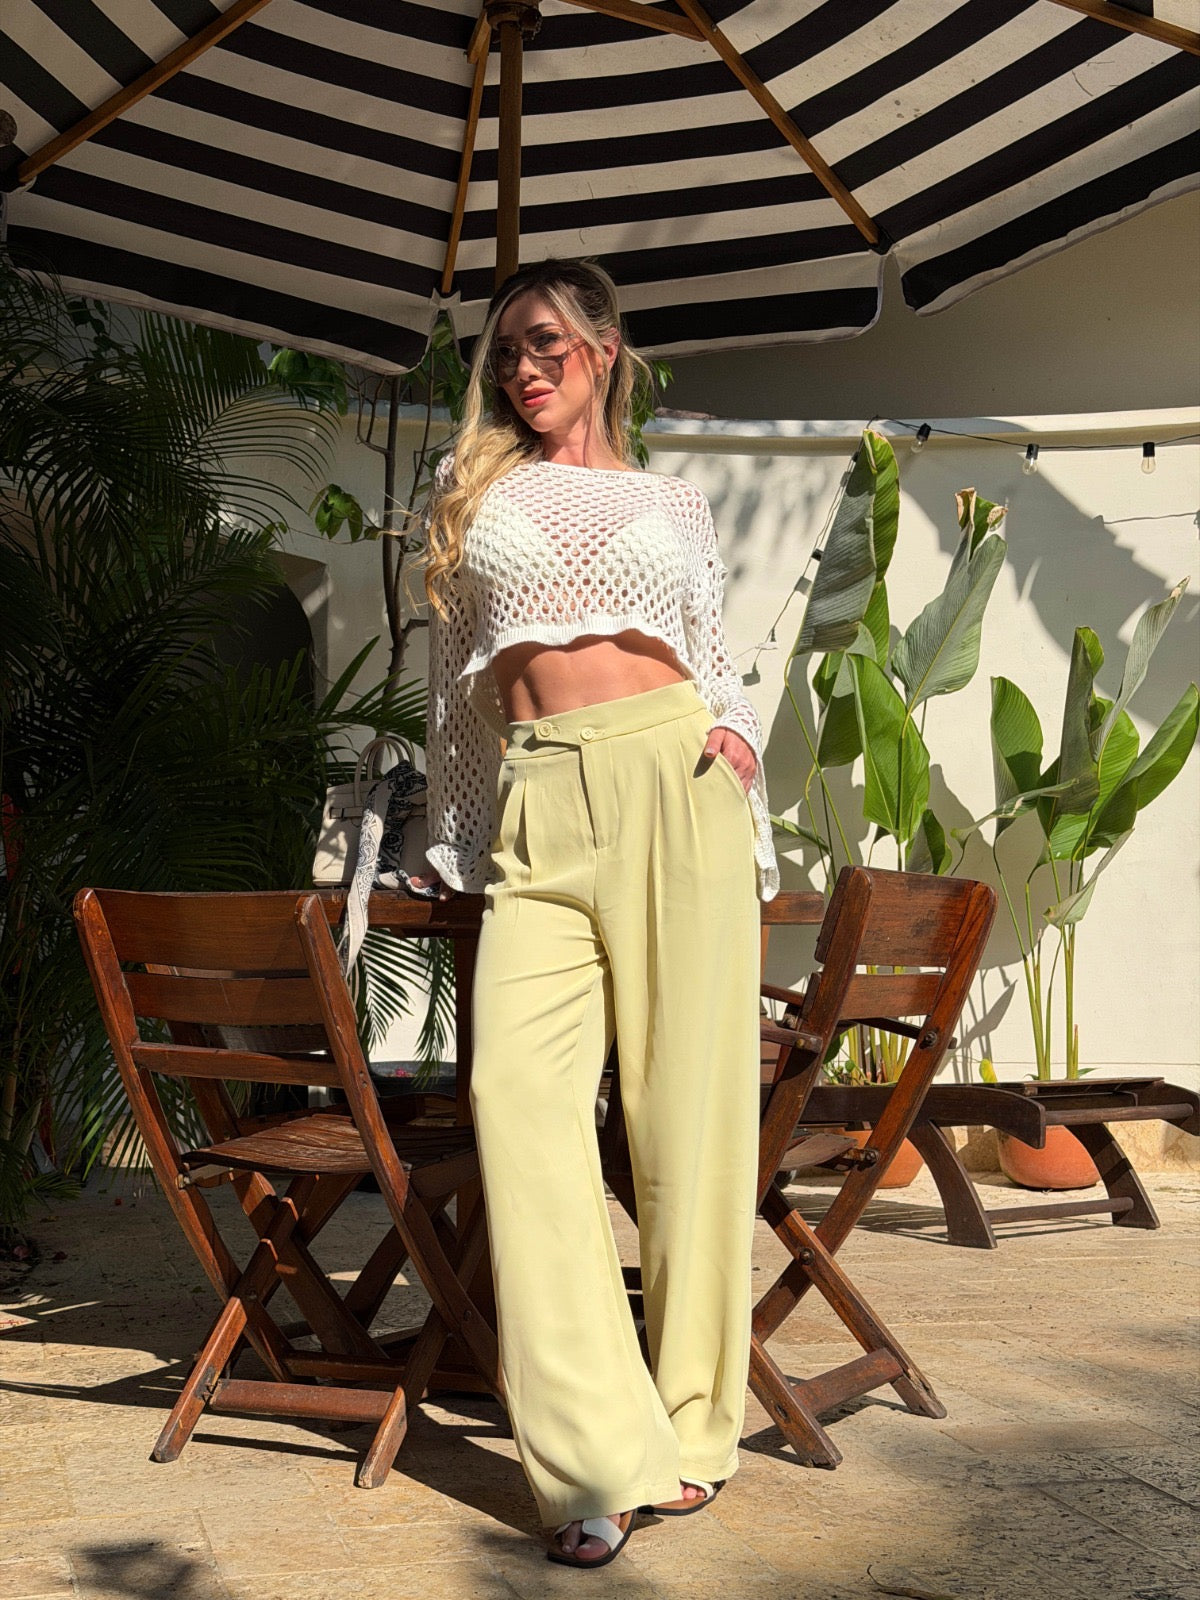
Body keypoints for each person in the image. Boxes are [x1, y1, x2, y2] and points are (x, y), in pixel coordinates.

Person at [410, 258, 779, 1569]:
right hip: (542, 793)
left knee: (688, 1120)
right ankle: (593, 1454)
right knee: (517, 1098)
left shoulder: (673, 501)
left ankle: (693, 1423)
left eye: (548, 343)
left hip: (678, 775)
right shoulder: (471, 489)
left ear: (606, 348)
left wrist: (738, 735)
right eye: (507, 349)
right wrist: (456, 835)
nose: (524, 368)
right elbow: (455, 692)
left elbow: (715, 657)